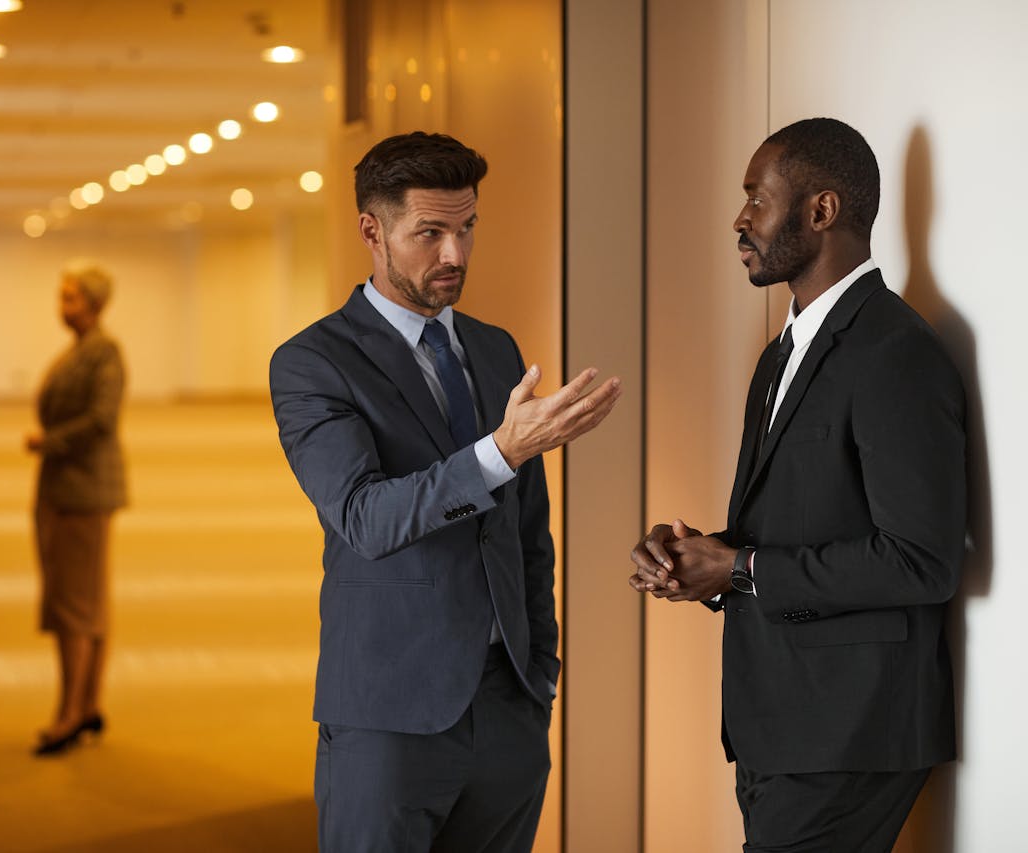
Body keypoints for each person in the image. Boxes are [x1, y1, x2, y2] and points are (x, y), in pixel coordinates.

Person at [270, 131, 622, 852]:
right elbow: (366, 517)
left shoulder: (493, 349)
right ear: (372, 230)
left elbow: (528, 532)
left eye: (465, 229)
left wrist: (539, 674)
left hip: (507, 711)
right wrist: (501, 451)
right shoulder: (313, 362)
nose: (454, 255)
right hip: (390, 716)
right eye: (429, 232)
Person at [629, 118, 967, 851]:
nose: (740, 220)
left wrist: (742, 567)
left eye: (757, 198)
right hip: (778, 728)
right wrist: (701, 555)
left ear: (821, 210)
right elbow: (795, 525)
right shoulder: (780, 353)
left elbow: (923, 558)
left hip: (850, 734)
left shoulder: (895, 351)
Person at [25, 261, 126, 757]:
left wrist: (49, 440)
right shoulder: (82, 351)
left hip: (82, 492)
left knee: (75, 608)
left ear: (93, 303)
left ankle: (69, 713)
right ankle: (85, 705)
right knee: (86, 605)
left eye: (70, 298)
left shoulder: (103, 352)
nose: (61, 306)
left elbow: (101, 420)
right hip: (66, 488)